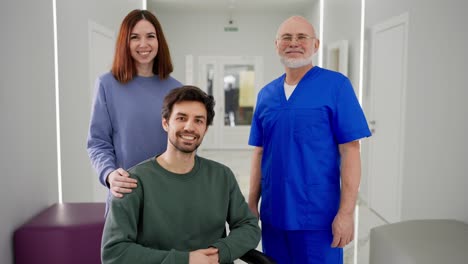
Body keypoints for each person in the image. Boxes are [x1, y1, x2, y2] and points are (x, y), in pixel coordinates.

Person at [248, 16, 371, 264]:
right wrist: (251, 204)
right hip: (274, 214)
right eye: (287, 37)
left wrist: (346, 214)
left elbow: (351, 151)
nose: (294, 43)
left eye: (302, 37)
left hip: (318, 216)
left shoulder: (336, 86)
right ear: (276, 45)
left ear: (315, 45)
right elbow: (260, 153)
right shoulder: (266, 95)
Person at [101, 86, 261, 264]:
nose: (189, 127)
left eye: (198, 121)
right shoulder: (132, 182)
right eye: (181, 118)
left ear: (205, 129)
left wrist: (217, 254)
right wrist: (186, 260)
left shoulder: (222, 176)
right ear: (165, 123)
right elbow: (114, 252)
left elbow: (249, 226)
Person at [87, 9, 181, 211]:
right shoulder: (107, 84)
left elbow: (182, 144)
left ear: (159, 41)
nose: (144, 44)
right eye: (135, 37)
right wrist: (109, 174)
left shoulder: (176, 90)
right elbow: (98, 142)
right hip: (125, 193)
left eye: (150, 36)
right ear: (125, 42)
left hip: (168, 192)